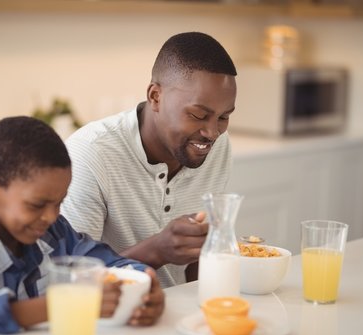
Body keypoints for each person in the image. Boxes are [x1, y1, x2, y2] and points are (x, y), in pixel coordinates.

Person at [0, 116, 165, 335]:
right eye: (36, 205)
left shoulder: (52, 228)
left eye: (59, 203)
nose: (51, 216)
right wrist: (59, 304)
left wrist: (144, 283)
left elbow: (104, 262)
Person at [61, 32, 237, 287]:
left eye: (224, 117)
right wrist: (156, 251)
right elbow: (71, 278)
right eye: (199, 115)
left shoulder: (218, 147)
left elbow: (198, 264)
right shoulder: (90, 153)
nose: (212, 132)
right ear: (155, 96)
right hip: (107, 318)